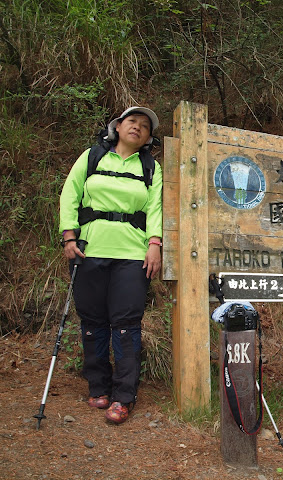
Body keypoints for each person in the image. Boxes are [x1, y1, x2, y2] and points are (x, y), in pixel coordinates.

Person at [59, 106, 163, 424]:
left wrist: (155, 245)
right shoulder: (92, 157)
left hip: (132, 255)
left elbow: (155, 207)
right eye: (132, 121)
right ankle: (98, 386)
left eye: (145, 126)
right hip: (89, 249)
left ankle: (124, 396)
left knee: (126, 323)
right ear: (117, 126)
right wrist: (69, 236)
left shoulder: (150, 168)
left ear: (147, 137)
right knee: (93, 321)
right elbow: (70, 194)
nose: (138, 128)